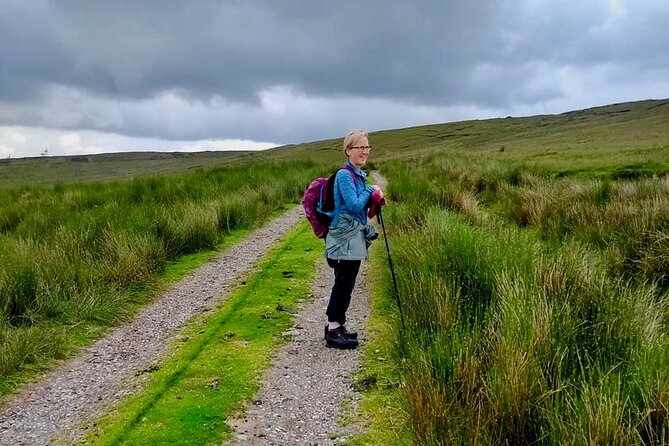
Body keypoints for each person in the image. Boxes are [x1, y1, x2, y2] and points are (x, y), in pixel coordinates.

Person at [324, 129, 384, 349]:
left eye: (367, 147)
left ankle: (338, 325)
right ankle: (333, 330)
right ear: (348, 150)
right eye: (360, 147)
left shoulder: (357, 174)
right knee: (343, 282)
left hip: (352, 236)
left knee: (347, 281)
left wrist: (372, 195)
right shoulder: (344, 175)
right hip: (344, 237)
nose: (364, 152)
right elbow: (354, 204)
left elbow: (362, 207)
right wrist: (371, 190)